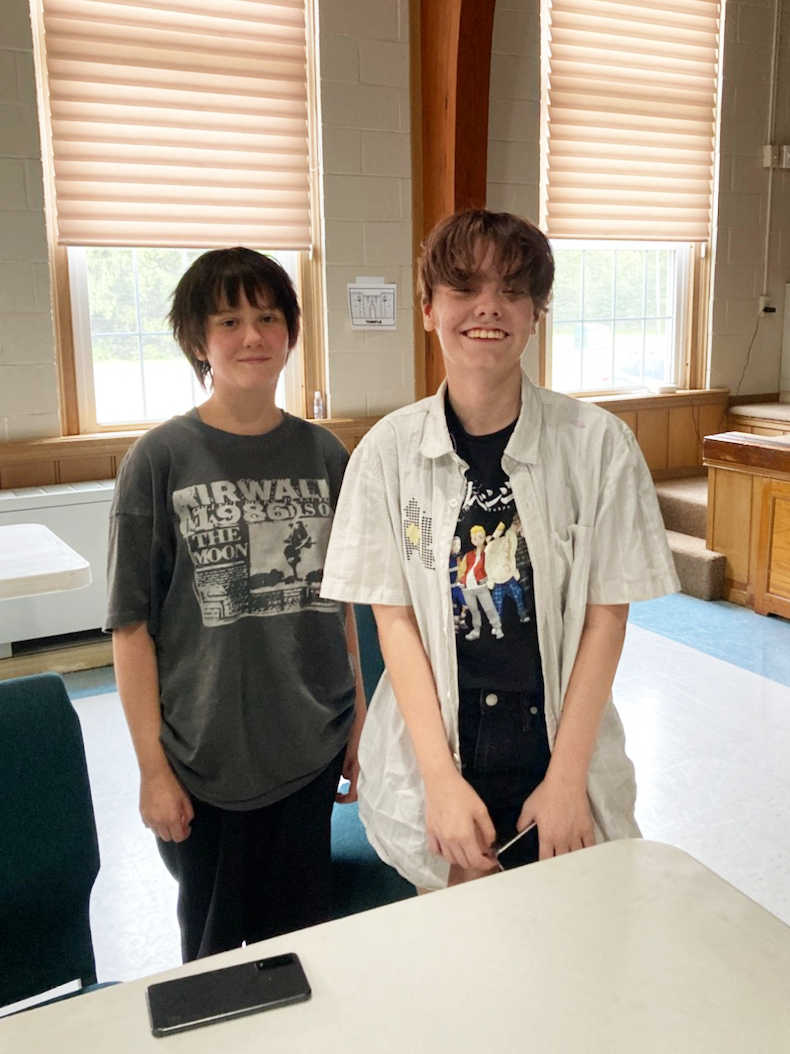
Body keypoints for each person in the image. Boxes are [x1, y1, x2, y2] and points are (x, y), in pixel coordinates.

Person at [320, 209, 679, 891]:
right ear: (429, 308)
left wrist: (567, 778)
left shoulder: (599, 444)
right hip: (441, 740)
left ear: (536, 313)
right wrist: (440, 780)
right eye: (464, 288)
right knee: (460, 937)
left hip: (556, 735)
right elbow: (393, 622)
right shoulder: (386, 452)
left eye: (512, 290)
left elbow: (607, 616)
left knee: (570, 924)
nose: (489, 306)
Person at [105, 247, 366, 960]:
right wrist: (152, 770)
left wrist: (358, 718)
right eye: (229, 321)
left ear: (290, 333)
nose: (252, 336)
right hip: (204, 758)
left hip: (308, 746)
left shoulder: (326, 455)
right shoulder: (159, 460)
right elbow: (130, 628)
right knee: (215, 966)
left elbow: (346, 605)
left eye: (269, 318)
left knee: (305, 956)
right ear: (199, 341)